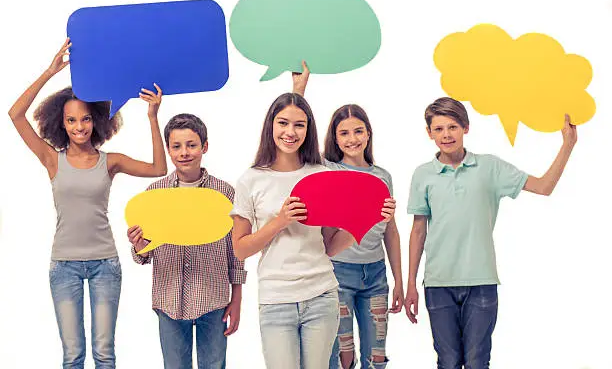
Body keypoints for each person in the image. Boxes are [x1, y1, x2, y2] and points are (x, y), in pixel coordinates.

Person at [8, 38, 167, 368]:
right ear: (61, 124)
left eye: (84, 119)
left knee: (104, 354)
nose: (78, 126)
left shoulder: (110, 161)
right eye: (71, 121)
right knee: (72, 355)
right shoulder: (52, 159)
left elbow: (158, 169)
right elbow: (15, 114)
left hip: (105, 264)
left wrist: (152, 116)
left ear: (96, 120)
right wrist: (50, 72)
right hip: (63, 265)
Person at [230, 63, 395, 369]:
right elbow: (239, 249)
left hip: (321, 295)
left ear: (309, 131)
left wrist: (374, 219)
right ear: (270, 126)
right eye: (283, 123)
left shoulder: (321, 174)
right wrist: (280, 221)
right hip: (276, 299)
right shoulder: (250, 179)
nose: (290, 132)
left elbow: (330, 246)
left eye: (300, 125)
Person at [404, 97, 578, 369]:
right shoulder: (423, 174)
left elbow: (544, 186)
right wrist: (411, 283)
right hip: (438, 284)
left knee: (477, 361)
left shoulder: (490, 167)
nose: (446, 135)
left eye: (452, 127)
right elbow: (418, 231)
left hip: (481, 281)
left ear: (466, 127)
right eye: (438, 129)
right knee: (448, 361)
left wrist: (568, 145)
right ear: (429, 133)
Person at [127, 113, 246, 369]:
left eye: (192, 145)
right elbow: (144, 253)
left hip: (213, 300)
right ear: (168, 149)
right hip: (169, 300)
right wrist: (139, 246)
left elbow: (236, 251)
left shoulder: (224, 193)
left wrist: (237, 299)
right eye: (176, 146)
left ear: (204, 146)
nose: (184, 153)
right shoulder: (154, 195)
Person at [321, 103, 402, 369]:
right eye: (344, 133)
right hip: (339, 272)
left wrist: (399, 280)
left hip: (376, 274)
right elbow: (298, 146)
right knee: (343, 355)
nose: (352, 139)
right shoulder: (329, 170)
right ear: (335, 137)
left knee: (377, 357)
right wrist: (298, 91)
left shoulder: (383, 176)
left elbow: (390, 230)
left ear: (368, 134)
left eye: (358, 131)